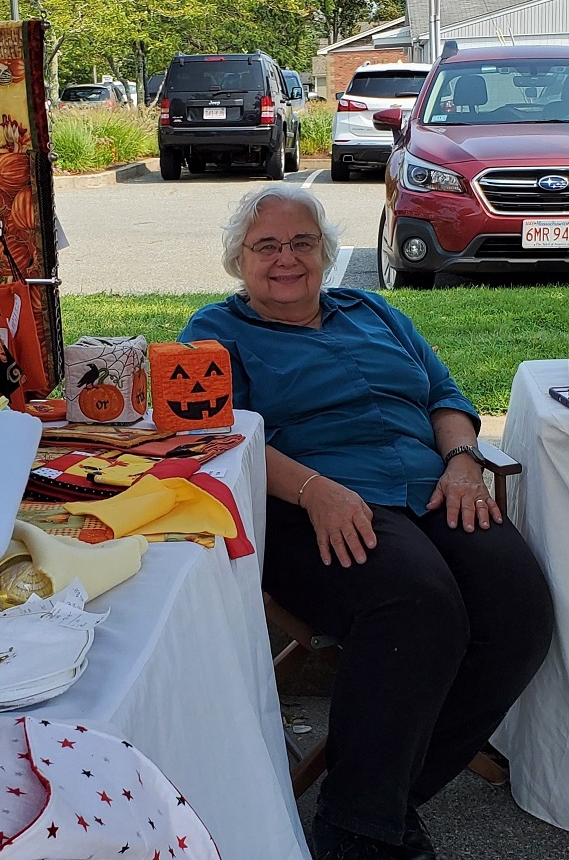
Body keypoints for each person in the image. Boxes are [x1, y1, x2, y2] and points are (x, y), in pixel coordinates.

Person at [179, 184, 553, 860]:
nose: (286, 258)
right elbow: (215, 434)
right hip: (307, 503)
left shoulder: (374, 311)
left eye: (302, 242)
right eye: (267, 246)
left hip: (430, 485)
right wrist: (315, 489)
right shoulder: (214, 334)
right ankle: (361, 833)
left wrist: (462, 460)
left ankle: (374, 804)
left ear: (324, 252)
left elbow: (444, 396)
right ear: (239, 259)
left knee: (519, 613)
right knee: (415, 605)